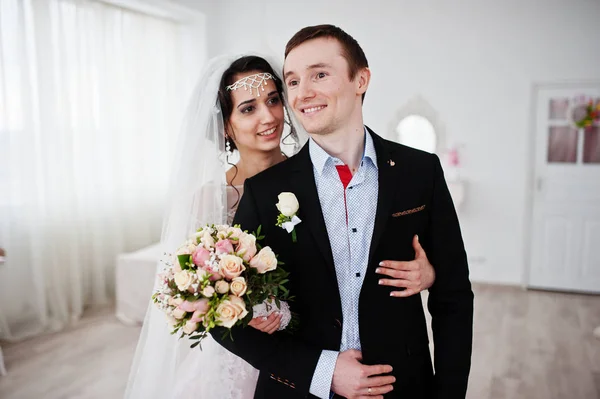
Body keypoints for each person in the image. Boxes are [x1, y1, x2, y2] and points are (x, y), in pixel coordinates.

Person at [124, 54, 436, 398]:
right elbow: (196, 295)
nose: (269, 116)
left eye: (273, 100)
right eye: (248, 108)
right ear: (226, 125)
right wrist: (241, 314)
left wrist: (429, 269)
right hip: (237, 357)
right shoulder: (210, 200)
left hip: (313, 349)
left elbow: (358, 249)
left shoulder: (320, 175)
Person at [211, 25, 474, 399]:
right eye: (294, 81)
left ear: (360, 79)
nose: (304, 93)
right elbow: (221, 321)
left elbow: (454, 297)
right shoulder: (263, 191)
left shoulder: (421, 172)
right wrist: (322, 372)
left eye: (319, 74)